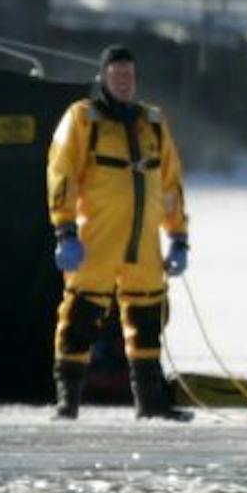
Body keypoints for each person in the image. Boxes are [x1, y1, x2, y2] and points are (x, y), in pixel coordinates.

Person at [46, 45, 192, 420]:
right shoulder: (83, 119)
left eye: (130, 75)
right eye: (117, 75)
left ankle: (150, 402)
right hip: (96, 240)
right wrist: (64, 229)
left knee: (147, 319)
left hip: (142, 243)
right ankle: (68, 401)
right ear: (104, 77)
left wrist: (177, 236)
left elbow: (170, 185)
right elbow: (62, 175)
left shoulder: (153, 123)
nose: (125, 82)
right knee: (79, 317)